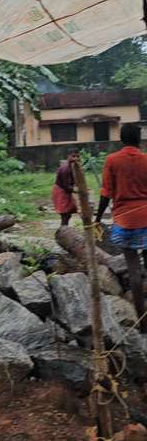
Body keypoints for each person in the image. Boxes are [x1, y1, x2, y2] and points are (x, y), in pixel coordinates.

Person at [96, 123, 147, 332]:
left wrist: (97, 217)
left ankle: (143, 323)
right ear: (139, 139)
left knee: (134, 269)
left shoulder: (112, 160)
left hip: (126, 221)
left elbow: (106, 192)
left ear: (121, 139)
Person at [52, 150, 79, 226]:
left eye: (77, 156)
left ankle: (64, 229)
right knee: (65, 214)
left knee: (69, 212)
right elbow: (66, 186)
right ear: (68, 156)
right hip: (61, 191)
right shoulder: (65, 168)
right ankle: (63, 231)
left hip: (66, 191)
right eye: (73, 156)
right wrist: (78, 191)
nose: (75, 158)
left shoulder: (72, 166)